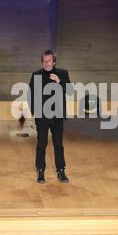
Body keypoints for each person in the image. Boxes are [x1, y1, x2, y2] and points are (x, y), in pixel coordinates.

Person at [28, 50, 71, 184]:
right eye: (44, 61)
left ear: (54, 61)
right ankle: (40, 170)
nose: (46, 63)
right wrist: (35, 112)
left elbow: (70, 91)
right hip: (42, 116)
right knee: (42, 144)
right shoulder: (36, 75)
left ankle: (61, 170)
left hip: (57, 115)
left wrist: (59, 81)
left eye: (49, 60)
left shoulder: (63, 73)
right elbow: (30, 95)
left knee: (59, 144)